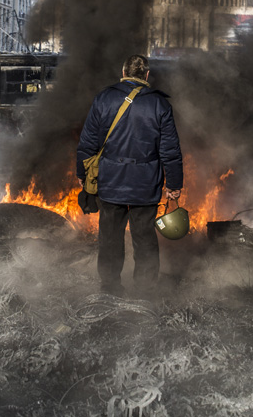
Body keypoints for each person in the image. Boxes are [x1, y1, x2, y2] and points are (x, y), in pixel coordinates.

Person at [77, 54, 183, 296]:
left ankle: (110, 288)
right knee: (144, 239)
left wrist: (82, 174)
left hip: (110, 181)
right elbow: (170, 150)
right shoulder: (160, 104)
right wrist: (174, 183)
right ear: (146, 75)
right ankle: (145, 292)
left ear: (123, 73)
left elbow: (88, 142)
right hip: (146, 185)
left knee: (110, 238)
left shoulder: (104, 98)